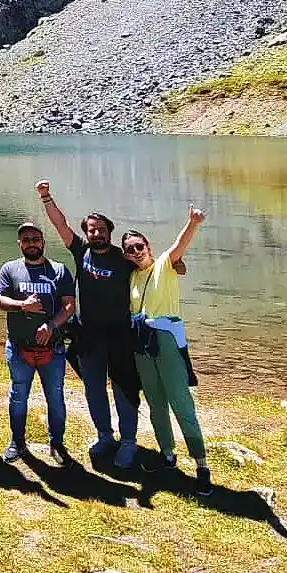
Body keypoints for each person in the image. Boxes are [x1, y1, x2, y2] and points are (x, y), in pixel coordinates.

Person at [39, 179, 182, 469]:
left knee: (124, 389)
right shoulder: (81, 251)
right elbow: (60, 225)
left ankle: (128, 441)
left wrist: (176, 266)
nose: (96, 234)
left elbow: (150, 267)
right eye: (91, 230)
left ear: (109, 233)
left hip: (121, 338)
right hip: (89, 337)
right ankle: (105, 435)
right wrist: (45, 197)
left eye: (101, 230)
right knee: (93, 388)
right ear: (86, 233)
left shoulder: (123, 258)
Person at [125, 206, 213, 496]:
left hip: (165, 340)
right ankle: (167, 455)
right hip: (141, 344)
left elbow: (179, 247)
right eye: (129, 250)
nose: (135, 252)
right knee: (155, 402)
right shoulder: (131, 278)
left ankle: (201, 466)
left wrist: (192, 222)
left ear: (148, 247)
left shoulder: (164, 264)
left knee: (180, 401)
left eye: (139, 246)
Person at [0, 219, 76, 465]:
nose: (31, 243)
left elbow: (69, 306)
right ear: (19, 243)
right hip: (19, 348)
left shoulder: (59, 270)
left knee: (55, 396)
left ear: (43, 242)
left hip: (53, 348)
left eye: (35, 239)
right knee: (18, 394)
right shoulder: (10, 269)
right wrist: (22, 305)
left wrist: (50, 326)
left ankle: (57, 443)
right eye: (26, 239)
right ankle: (17, 442)